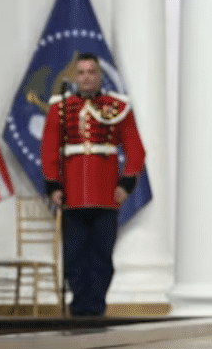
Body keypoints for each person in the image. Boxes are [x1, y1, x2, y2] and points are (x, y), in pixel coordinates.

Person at [41, 53, 145, 317]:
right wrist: (53, 185)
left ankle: (96, 305)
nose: (86, 77)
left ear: (100, 76)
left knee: (101, 253)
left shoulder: (117, 106)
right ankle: (79, 304)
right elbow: (50, 149)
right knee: (74, 254)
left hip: (105, 194)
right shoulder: (60, 107)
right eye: (82, 72)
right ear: (75, 77)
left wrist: (126, 183)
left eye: (92, 72)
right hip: (72, 193)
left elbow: (135, 150)